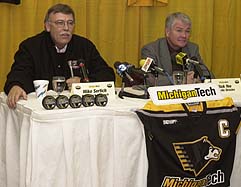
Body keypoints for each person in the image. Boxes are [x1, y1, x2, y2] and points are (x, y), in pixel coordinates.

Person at [4, 3, 115, 109]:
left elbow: (107, 75)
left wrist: (83, 83)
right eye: (60, 23)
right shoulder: (31, 46)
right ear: (47, 26)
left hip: (78, 108)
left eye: (70, 23)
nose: (66, 28)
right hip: (42, 108)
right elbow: (19, 73)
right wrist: (16, 85)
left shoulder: (85, 46)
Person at [141, 12, 214, 86]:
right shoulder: (151, 50)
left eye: (187, 31)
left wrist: (198, 78)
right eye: (179, 30)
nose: (184, 35)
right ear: (167, 32)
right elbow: (149, 78)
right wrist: (182, 80)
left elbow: (208, 75)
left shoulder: (192, 49)